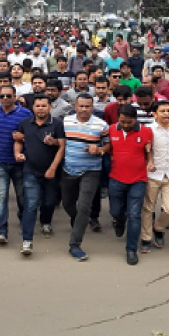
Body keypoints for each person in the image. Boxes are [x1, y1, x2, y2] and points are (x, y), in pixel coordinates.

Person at [60, 94, 110, 261]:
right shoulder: (65, 122)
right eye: (81, 106)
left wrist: (100, 150)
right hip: (68, 170)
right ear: (75, 106)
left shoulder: (101, 125)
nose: (83, 109)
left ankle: (75, 244)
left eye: (87, 106)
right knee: (67, 203)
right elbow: (60, 142)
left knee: (84, 207)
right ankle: (77, 219)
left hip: (91, 170)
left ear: (92, 107)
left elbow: (109, 145)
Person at [15, 96, 66, 255]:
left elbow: (62, 147)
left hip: (51, 171)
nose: (41, 108)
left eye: (44, 105)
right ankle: (27, 240)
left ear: (50, 107)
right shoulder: (25, 123)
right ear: (33, 108)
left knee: (49, 201)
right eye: (37, 106)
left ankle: (46, 222)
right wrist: (17, 153)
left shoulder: (57, 124)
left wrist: (52, 167)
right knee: (30, 204)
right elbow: (18, 139)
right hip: (30, 170)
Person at [107, 104, 153, 265]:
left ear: (135, 119)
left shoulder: (146, 132)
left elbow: (150, 151)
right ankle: (119, 221)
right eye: (123, 122)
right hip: (116, 178)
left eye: (129, 122)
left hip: (138, 180)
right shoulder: (112, 129)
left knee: (134, 215)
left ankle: (131, 249)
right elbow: (108, 148)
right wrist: (98, 149)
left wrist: (151, 161)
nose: (125, 125)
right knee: (115, 210)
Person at [0, 84, 32, 244]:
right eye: (2, 96)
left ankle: (24, 223)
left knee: (22, 197)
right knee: (1, 198)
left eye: (9, 96)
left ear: (15, 96)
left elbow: (33, 134)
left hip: (20, 163)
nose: (5, 99)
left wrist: (23, 138)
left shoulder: (25, 113)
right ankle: (1, 231)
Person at [140, 100, 169, 253]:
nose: (166, 114)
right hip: (152, 174)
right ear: (154, 114)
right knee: (148, 208)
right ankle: (145, 238)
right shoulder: (148, 129)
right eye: (162, 111)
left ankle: (159, 228)